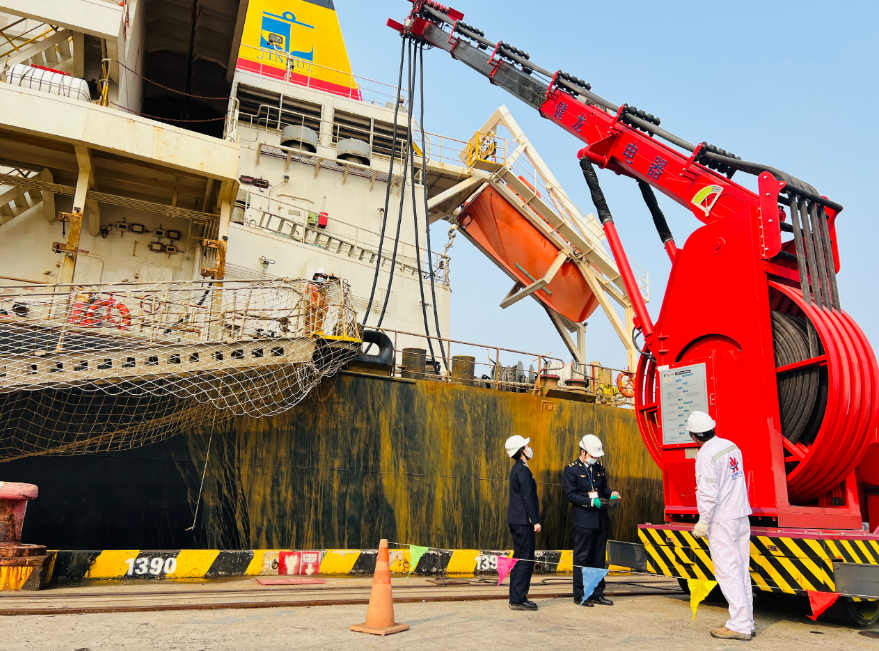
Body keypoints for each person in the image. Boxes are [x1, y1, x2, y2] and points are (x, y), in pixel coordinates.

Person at [687, 411, 754, 641]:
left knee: (727, 572)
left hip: (722, 520)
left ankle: (739, 625)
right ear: (712, 428)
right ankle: (746, 621)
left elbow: (708, 492)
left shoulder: (706, 455)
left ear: (694, 436)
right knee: (742, 571)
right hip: (741, 516)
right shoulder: (731, 446)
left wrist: (703, 522)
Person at [563, 434, 620, 607]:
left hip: (601, 519)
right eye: (593, 456)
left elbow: (603, 488)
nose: (595, 459)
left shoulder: (599, 468)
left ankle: (597, 593)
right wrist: (590, 502)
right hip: (584, 520)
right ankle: (580, 595)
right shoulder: (571, 469)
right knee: (582, 558)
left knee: (598, 558)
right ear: (583, 452)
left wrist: (611, 494)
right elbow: (570, 495)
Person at [505, 434, 541, 611]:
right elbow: (528, 498)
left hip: (516, 520)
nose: (529, 449)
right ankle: (519, 598)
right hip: (523, 521)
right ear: (521, 451)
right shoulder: (523, 470)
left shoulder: (517, 469)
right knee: (525, 559)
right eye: (526, 447)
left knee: (518, 558)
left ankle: (515, 597)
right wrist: (535, 521)